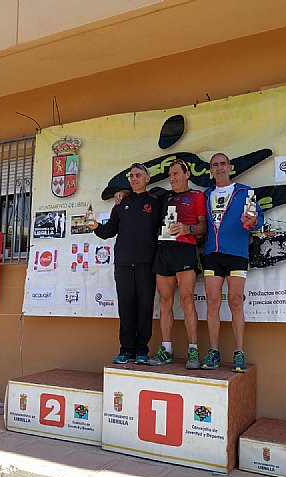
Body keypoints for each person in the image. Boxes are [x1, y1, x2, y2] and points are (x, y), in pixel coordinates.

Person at [88, 163, 161, 365]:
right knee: (126, 308)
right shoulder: (121, 203)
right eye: (131, 176)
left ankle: (142, 351)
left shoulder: (156, 202)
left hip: (147, 264)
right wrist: (95, 226)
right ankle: (126, 350)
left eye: (138, 175)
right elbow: (109, 231)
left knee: (144, 308)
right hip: (123, 264)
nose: (134, 179)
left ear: (147, 179)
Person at [201, 153, 264, 373]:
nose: (219, 168)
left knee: (236, 302)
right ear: (211, 170)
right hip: (212, 254)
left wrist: (252, 221)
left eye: (222, 164)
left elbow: (259, 219)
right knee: (212, 302)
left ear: (230, 167)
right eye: (215, 165)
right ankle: (214, 351)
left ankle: (239, 352)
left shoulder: (245, 192)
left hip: (237, 253)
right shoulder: (206, 194)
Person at [145, 159, 207, 369]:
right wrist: (123, 194)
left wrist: (188, 229)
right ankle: (166, 350)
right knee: (164, 302)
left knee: (187, 299)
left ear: (187, 174)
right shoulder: (164, 197)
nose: (172, 178)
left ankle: (193, 350)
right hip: (164, 250)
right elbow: (142, 198)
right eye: (170, 175)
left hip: (185, 249)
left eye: (176, 174)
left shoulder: (197, 196)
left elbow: (204, 225)